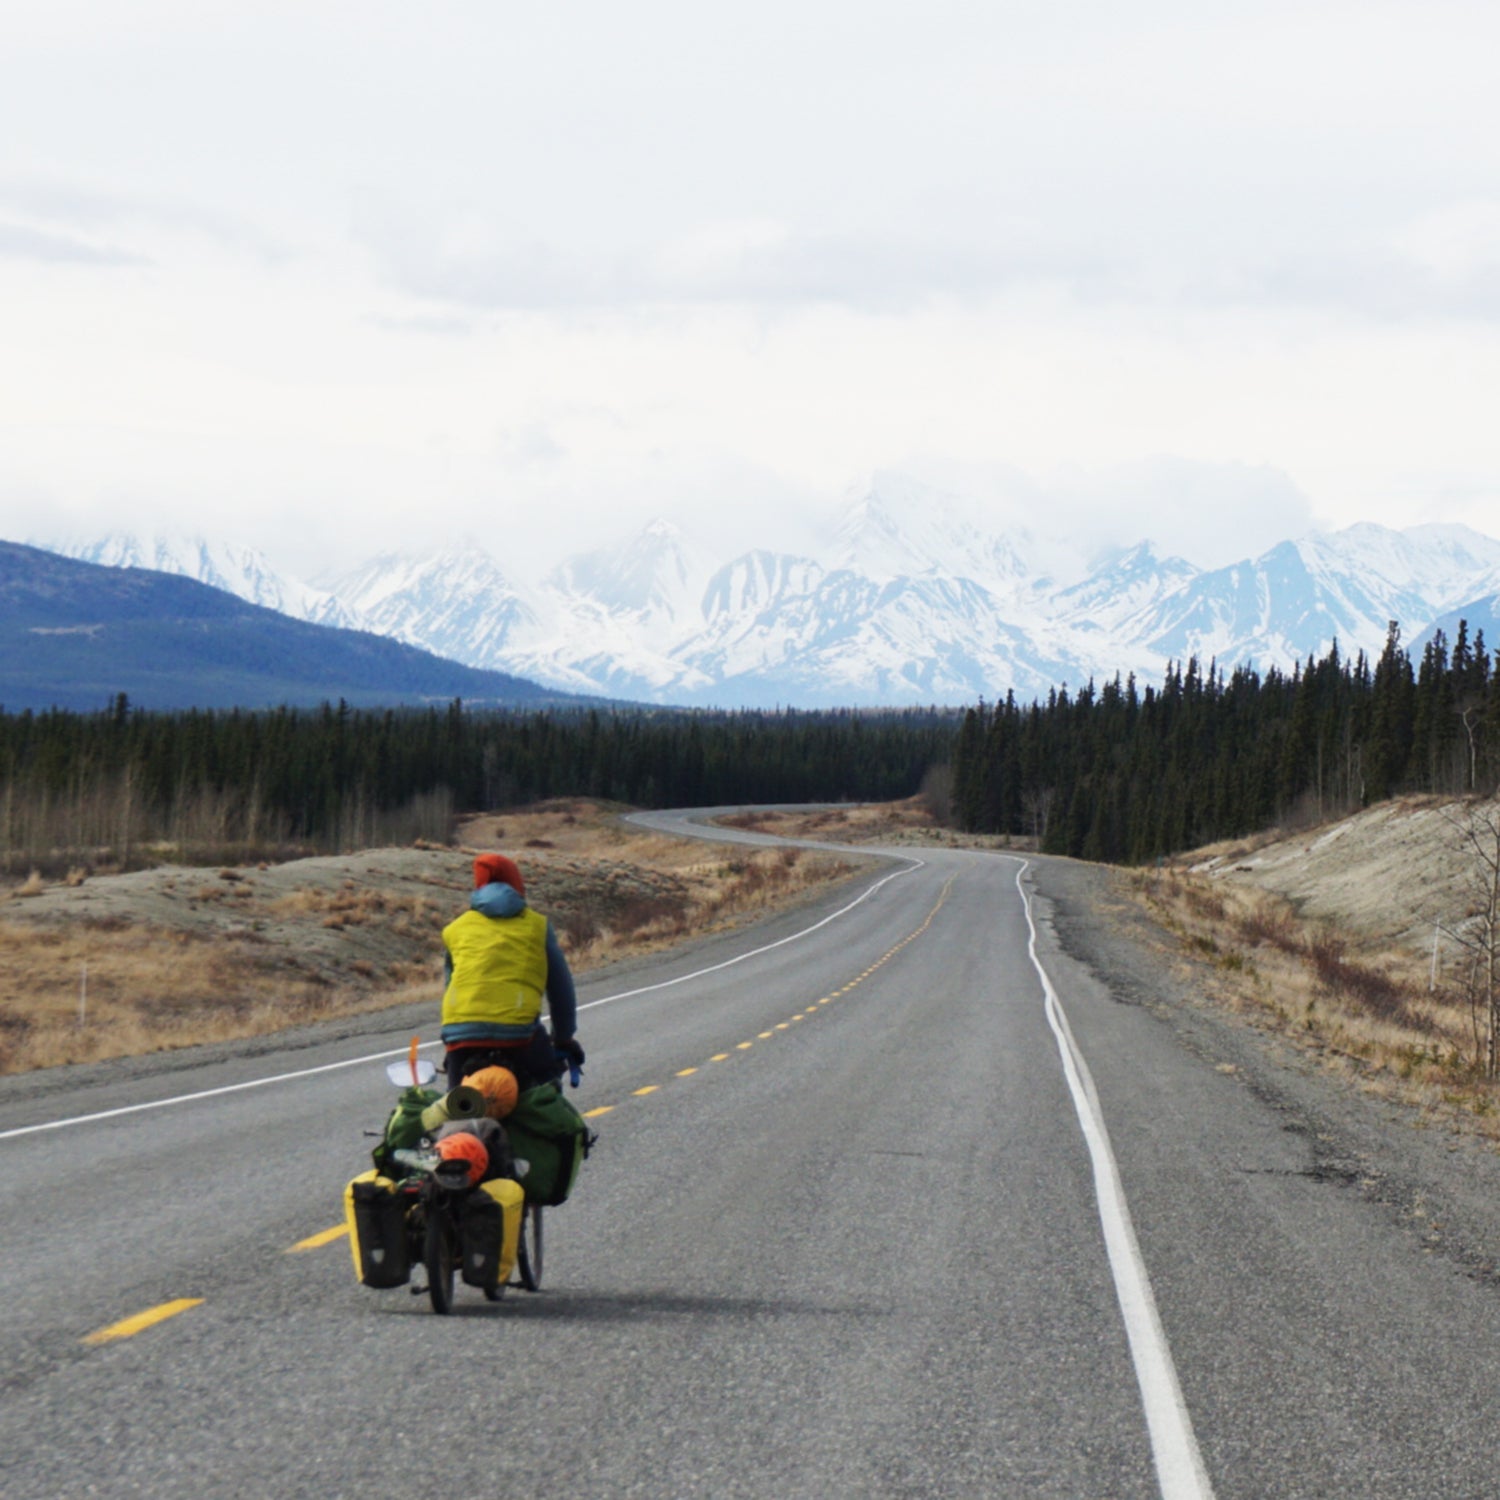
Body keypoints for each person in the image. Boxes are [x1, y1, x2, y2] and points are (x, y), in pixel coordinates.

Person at [439, 853, 584, 1091]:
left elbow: (450, 987)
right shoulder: (537, 926)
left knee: (456, 1107)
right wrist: (563, 1038)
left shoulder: (455, 929)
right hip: (520, 1036)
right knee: (546, 1098)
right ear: (518, 885)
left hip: (460, 1036)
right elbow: (561, 991)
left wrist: (454, 1036)